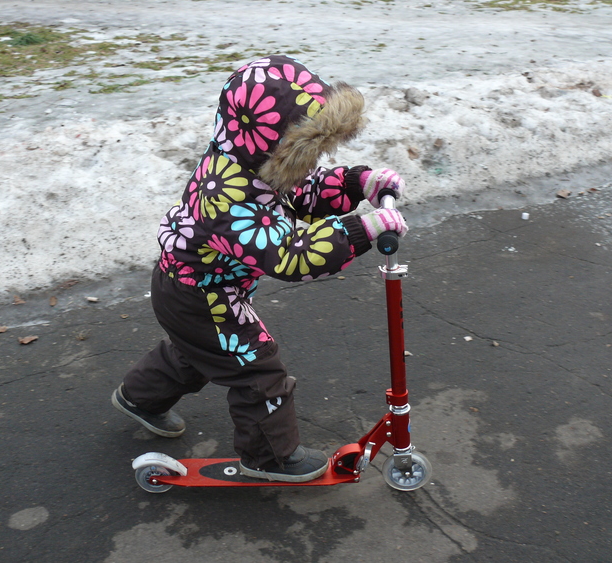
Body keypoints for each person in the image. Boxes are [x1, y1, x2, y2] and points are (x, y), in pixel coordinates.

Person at [112, 55, 407, 483]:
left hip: (190, 289)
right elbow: (291, 256)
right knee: (255, 365)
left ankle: (139, 397)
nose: (312, 161)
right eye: (306, 150)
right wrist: (361, 230)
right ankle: (269, 457)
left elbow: (301, 193)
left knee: (199, 352)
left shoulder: (254, 164)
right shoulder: (228, 196)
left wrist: (356, 184)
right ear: (270, 140)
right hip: (201, 297)